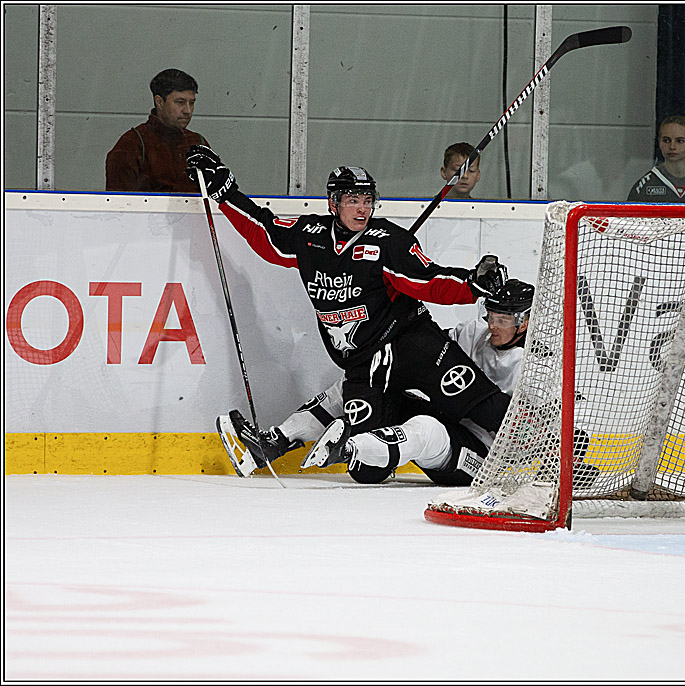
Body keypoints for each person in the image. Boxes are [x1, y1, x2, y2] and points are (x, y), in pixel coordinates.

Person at [186, 145, 512, 474]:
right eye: (353, 200)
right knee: (364, 468)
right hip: (363, 363)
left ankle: (557, 454)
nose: (362, 209)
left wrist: (472, 284)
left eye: (368, 200)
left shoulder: (389, 241)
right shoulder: (310, 236)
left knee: (485, 408)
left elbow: (427, 280)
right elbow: (265, 232)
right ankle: (279, 442)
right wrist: (225, 193)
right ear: (334, 203)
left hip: (412, 345)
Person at [220, 279, 536, 486]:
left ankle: (348, 449)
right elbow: (427, 359)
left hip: (479, 457)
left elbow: (535, 432)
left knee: (425, 429)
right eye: (491, 315)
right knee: (362, 380)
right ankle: (272, 442)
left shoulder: (532, 367)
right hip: (448, 416)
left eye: (503, 320)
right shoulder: (474, 331)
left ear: (524, 322)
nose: (493, 325)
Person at [106, 69, 209, 192]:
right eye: (180, 102)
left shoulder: (198, 143)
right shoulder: (132, 145)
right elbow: (119, 206)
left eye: (191, 103)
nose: (188, 110)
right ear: (159, 102)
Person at [627, 116, 685, 203]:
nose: (672, 146)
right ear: (659, 143)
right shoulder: (644, 187)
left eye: (680, 141)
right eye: (666, 140)